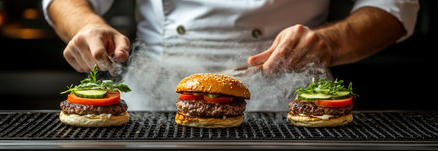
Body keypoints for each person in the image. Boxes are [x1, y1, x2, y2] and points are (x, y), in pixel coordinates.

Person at [43, 0, 419, 110]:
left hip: (289, 101)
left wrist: (331, 43)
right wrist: (86, 24)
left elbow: (393, 8)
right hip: (153, 102)